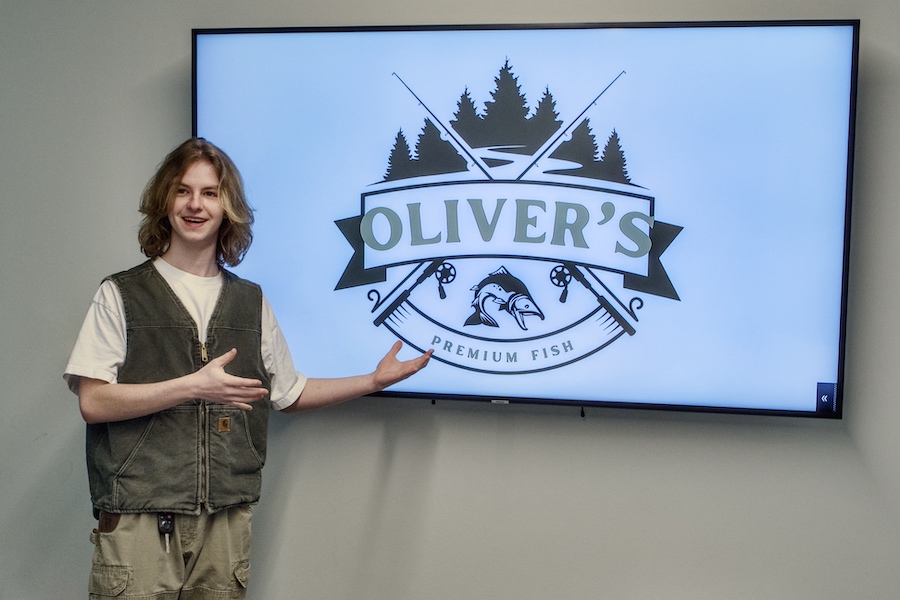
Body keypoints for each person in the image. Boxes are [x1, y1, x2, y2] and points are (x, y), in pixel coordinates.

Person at [64, 138, 433, 599]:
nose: (195, 204)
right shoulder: (120, 293)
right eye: (182, 191)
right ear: (165, 201)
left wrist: (373, 381)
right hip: (139, 517)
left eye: (210, 193)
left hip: (225, 520)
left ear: (227, 209)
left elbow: (289, 393)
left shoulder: (251, 301)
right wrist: (192, 387)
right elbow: (93, 401)